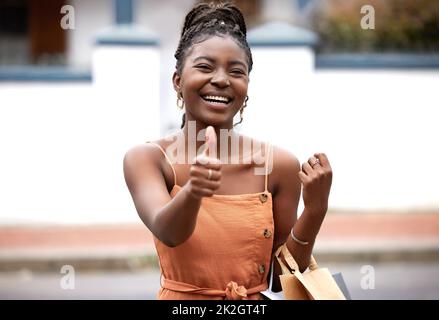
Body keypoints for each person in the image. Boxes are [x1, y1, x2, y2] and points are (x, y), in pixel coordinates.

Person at [123, 1, 332, 300]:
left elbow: (280, 280)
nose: (221, 80)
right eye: (205, 67)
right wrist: (194, 190)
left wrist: (314, 211)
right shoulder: (148, 159)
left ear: (246, 86)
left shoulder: (279, 166)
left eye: (236, 71)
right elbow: (168, 232)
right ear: (178, 81)